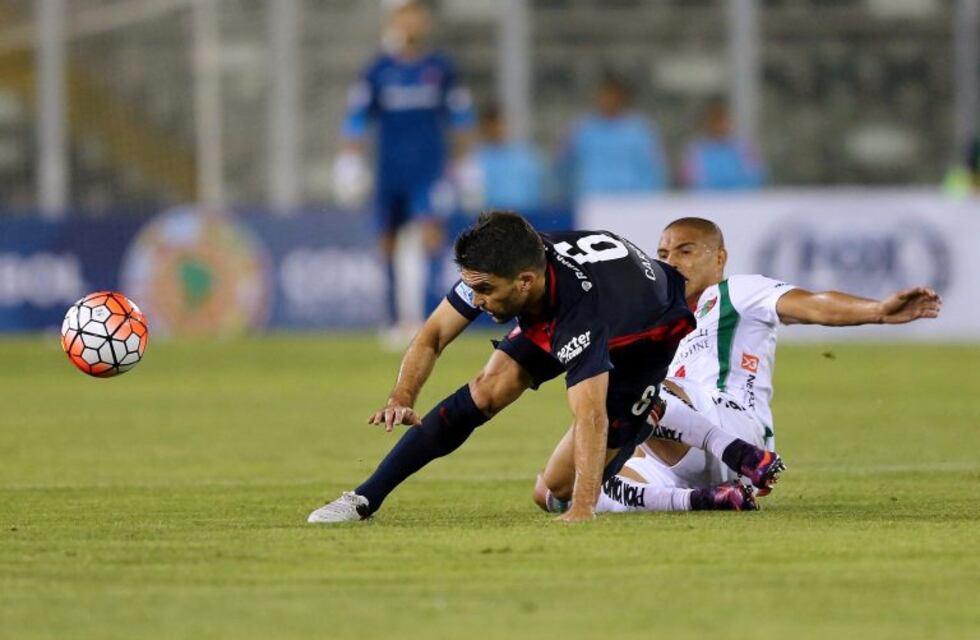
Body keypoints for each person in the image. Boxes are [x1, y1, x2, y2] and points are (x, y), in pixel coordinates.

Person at [307, 212, 783, 524]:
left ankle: (707, 469)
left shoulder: (581, 312)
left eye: (487, 292)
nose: (479, 300)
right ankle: (364, 499)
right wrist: (401, 397)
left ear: (526, 281)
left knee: (559, 490)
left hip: (648, 331)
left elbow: (590, 414)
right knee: (488, 389)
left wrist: (579, 510)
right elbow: (432, 334)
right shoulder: (507, 261)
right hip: (578, 301)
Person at [579, 217, 942, 515]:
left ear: (720, 258)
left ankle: (743, 457)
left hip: (734, 426)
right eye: (663, 253)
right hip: (678, 448)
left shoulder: (736, 293)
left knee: (630, 386)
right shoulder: (654, 318)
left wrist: (877, 311)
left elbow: (813, 304)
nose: (671, 261)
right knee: (566, 489)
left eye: (685, 251)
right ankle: (704, 500)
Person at [334, 0, 474, 335]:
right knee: (387, 241)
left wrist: (466, 162)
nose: (410, 21)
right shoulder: (378, 70)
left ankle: (430, 320)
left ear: (424, 21)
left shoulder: (440, 69)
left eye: (416, 14)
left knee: (430, 238)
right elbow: (355, 118)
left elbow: (461, 119)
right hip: (390, 172)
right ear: (394, 20)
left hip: (428, 171)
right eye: (404, 14)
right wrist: (348, 160)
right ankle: (394, 319)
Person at [557, 73, 668, 199]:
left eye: (612, 96)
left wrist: (650, 199)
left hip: (632, 199)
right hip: (592, 199)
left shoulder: (640, 131)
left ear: (622, 98)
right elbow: (565, 167)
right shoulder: (582, 130)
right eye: (604, 96)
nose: (608, 101)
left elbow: (653, 169)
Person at [467, 104, 546, 212]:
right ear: (484, 127)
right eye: (492, 124)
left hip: (525, 217)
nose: (497, 129)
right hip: (490, 219)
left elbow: (536, 193)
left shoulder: (523, 155)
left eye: (500, 124)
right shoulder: (475, 158)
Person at [681, 100, 765, 191]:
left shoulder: (744, 148)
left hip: (742, 200)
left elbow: (756, 177)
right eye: (714, 121)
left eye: (722, 121)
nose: (718, 126)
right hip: (706, 202)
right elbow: (692, 182)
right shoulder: (695, 151)